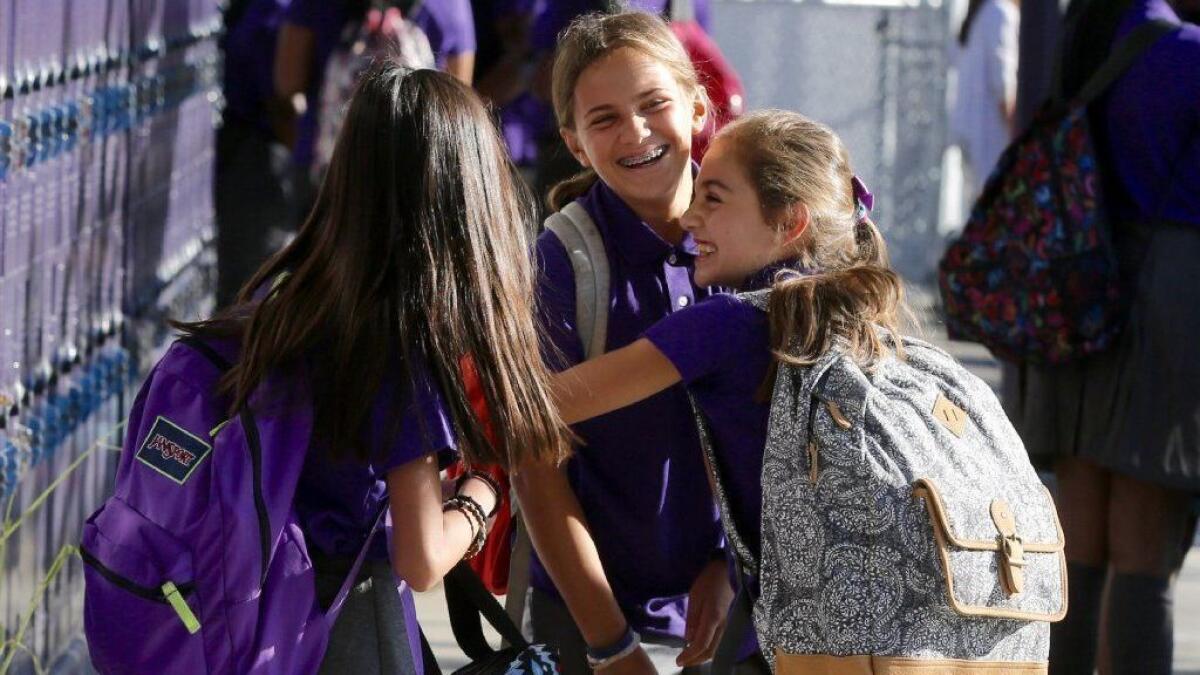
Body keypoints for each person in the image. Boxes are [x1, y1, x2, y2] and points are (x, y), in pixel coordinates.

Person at [180, 62, 571, 673]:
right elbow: (421, 559)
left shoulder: (286, 304)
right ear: (467, 196)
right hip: (343, 627)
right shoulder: (398, 343)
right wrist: (483, 493)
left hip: (252, 618)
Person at [529, 109, 907, 673]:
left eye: (714, 199)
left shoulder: (727, 324)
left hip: (782, 633)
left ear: (790, 222)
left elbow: (537, 405)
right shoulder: (859, 321)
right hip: (873, 622)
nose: (688, 216)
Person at [511, 11, 730, 675]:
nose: (635, 132)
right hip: (590, 621)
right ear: (576, 144)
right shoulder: (563, 261)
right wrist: (611, 643)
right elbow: (535, 467)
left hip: (727, 614)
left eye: (654, 104)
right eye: (603, 119)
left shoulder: (753, 235)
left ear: (696, 107)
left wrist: (729, 567)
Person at [1011, 1, 1200, 673]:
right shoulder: (1186, 52)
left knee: (1081, 540)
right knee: (1145, 546)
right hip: (1174, 298)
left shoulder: (1089, 30)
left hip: (1080, 283)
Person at [951, 0, 1020, 198]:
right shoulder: (1000, 13)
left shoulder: (982, 12)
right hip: (989, 140)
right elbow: (1003, 87)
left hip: (970, 134)